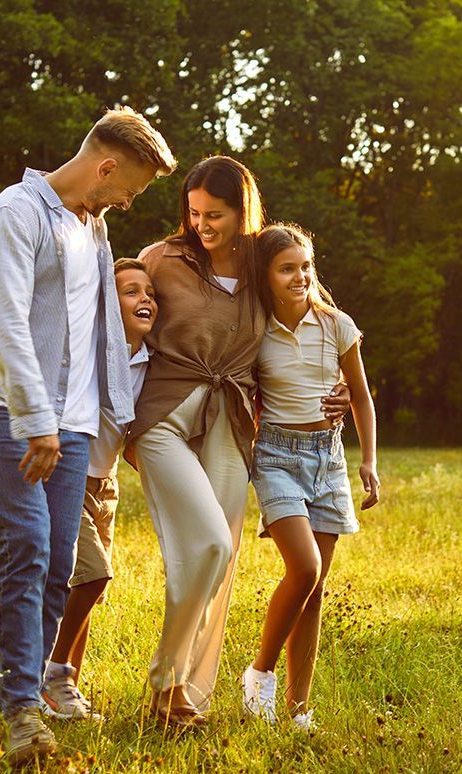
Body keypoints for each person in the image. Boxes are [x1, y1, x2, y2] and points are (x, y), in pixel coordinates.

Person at [0, 107, 175, 765]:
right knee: (26, 541)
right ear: (105, 167)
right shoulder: (15, 213)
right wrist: (36, 420)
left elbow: (104, 332)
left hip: (72, 421)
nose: (130, 202)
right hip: (3, 405)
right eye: (131, 187)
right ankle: (21, 709)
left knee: (59, 562)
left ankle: (30, 696)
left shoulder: (94, 229)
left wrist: (115, 414)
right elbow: (6, 322)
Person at [125, 156, 350, 728]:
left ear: (242, 210)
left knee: (218, 562)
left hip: (231, 419)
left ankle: (182, 700)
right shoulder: (165, 258)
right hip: (165, 415)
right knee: (207, 546)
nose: (202, 225)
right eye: (194, 213)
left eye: (216, 215)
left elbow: (313, 315)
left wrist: (338, 387)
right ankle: (164, 683)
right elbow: (115, 314)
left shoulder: (260, 265)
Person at [0, 258, 158, 724]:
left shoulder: (152, 360)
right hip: (69, 467)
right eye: (130, 291)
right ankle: (50, 678)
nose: (144, 298)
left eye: (149, 292)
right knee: (91, 574)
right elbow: (35, 328)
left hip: (105, 483)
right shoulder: (89, 343)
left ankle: (63, 686)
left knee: (79, 585)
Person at [240, 224, 380, 731]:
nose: (299, 276)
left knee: (315, 589)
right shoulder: (254, 329)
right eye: (286, 268)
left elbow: (361, 395)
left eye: (305, 266)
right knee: (304, 568)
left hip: (328, 459)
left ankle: (300, 707)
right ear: (266, 275)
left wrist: (368, 461)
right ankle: (260, 676)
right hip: (276, 455)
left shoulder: (337, 324)